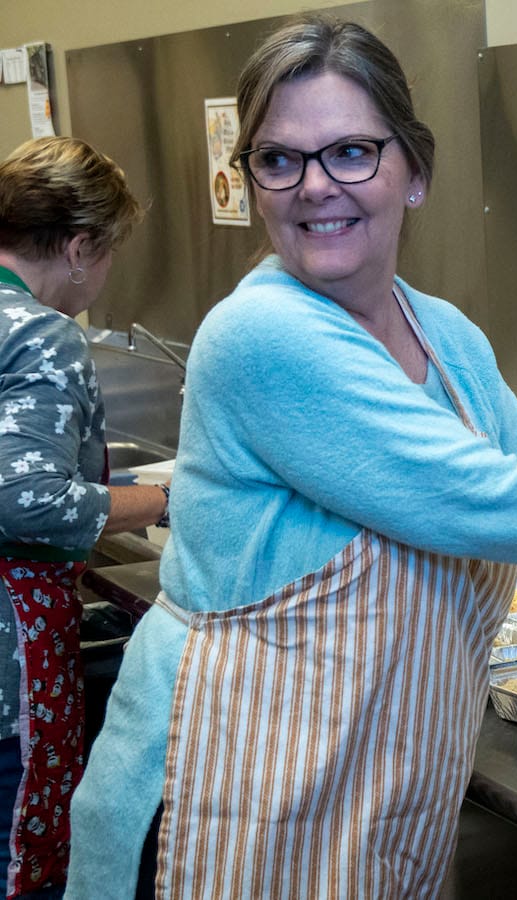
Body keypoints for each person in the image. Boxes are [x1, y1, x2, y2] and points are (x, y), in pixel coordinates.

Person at [68, 16, 517, 899]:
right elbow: (491, 501)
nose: (315, 187)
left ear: (413, 172)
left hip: (364, 803)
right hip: (224, 791)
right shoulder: (261, 334)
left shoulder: (445, 337)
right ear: (252, 180)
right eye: (280, 159)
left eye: (351, 152)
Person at [0, 136, 163, 898]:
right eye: (108, 253)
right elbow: (29, 500)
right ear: (77, 246)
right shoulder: (39, 333)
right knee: (15, 857)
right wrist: (169, 498)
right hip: (9, 657)